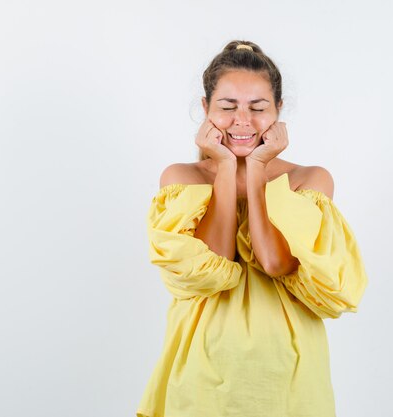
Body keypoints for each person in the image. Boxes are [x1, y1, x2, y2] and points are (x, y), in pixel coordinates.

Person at [136, 40, 368, 417]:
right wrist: (225, 167)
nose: (242, 120)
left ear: (278, 109)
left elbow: (276, 262)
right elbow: (211, 268)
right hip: (200, 377)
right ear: (205, 109)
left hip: (287, 379)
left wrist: (258, 167)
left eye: (258, 108)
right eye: (227, 107)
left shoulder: (309, 179)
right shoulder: (181, 178)